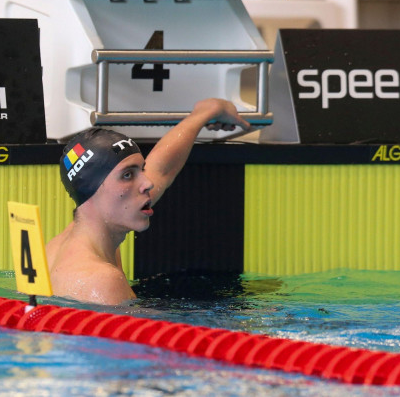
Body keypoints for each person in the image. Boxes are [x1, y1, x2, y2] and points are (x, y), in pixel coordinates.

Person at [45, 98, 250, 305]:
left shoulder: (64, 244)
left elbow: (162, 168)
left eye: (140, 170)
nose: (148, 183)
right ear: (91, 190)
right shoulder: (99, 281)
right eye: (127, 175)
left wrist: (206, 112)